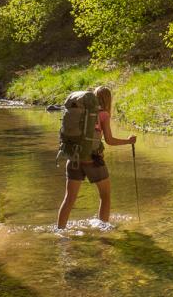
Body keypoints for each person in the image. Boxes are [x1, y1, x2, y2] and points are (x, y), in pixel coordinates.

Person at [56, 86, 136, 229]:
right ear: (108, 100)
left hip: (73, 158)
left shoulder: (80, 113)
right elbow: (110, 140)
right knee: (105, 195)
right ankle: (103, 231)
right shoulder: (103, 114)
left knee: (69, 198)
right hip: (93, 159)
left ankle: (60, 231)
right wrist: (128, 141)